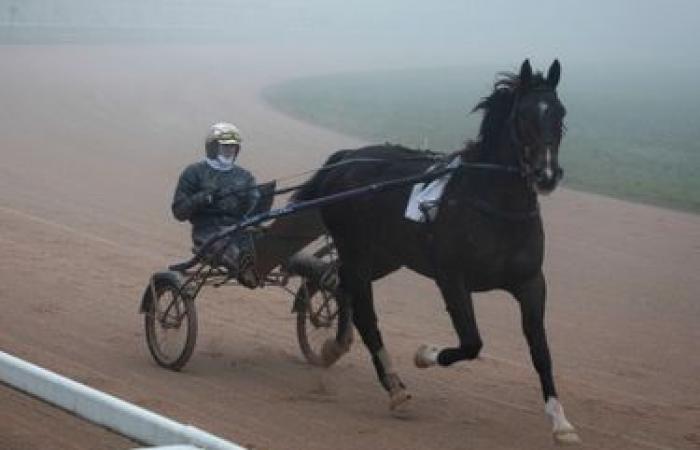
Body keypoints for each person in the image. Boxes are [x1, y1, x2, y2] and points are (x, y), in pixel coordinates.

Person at [172, 122, 261, 287]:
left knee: (271, 243)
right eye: (225, 147)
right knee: (232, 250)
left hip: (239, 230)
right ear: (212, 148)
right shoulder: (194, 172)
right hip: (207, 233)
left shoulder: (245, 176)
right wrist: (203, 197)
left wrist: (256, 201)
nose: (230, 151)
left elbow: (256, 208)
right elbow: (179, 212)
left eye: (233, 148)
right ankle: (246, 270)